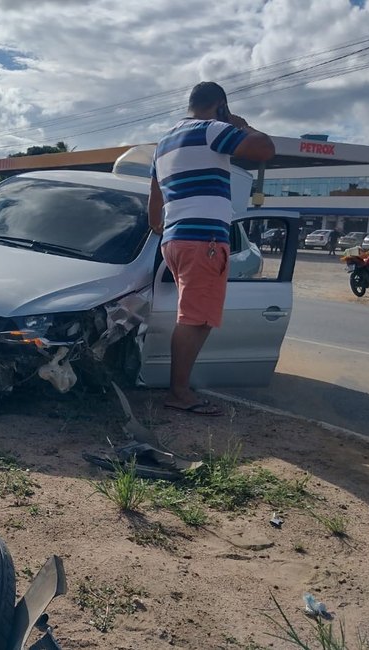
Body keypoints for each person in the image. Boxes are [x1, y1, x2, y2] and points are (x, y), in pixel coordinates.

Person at [148, 81, 275, 416]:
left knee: (196, 316)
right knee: (194, 319)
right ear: (220, 104)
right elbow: (264, 149)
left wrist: (167, 228)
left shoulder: (164, 143)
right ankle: (179, 393)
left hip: (175, 239)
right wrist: (241, 125)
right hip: (203, 240)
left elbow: (154, 204)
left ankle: (179, 387)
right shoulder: (212, 130)